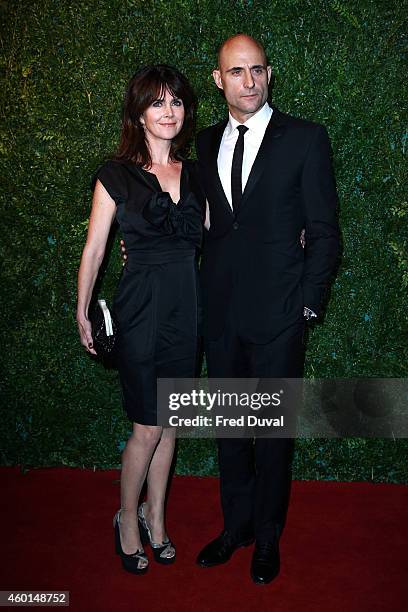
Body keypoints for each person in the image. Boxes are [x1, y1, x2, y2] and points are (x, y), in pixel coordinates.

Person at [195, 34, 340, 584]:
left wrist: (307, 306)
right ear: (219, 80)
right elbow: (201, 222)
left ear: (269, 74)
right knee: (231, 429)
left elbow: (325, 231)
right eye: (236, 72)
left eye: (257, 70)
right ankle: (237, 528)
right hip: (222, 315)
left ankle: (268, 538)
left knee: (273, 433)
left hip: (281, 315)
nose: (248, 81)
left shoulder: (305, 139)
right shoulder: (205, 144)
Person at [76, 65, 204, 575]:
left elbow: (224, 233)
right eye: (157, 102)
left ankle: (157, 514)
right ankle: (127, 517)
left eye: (175, 102)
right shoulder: (115, 175)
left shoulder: (195, 173)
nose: (167, 111)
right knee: (146, 429)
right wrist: (82, 309)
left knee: (170, 423)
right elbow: (95, 248)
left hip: (187, 310)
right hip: (140, 311)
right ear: (139, 113)